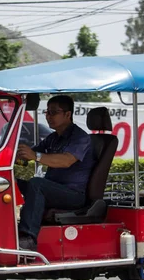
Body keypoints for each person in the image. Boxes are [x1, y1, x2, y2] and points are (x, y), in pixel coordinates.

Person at [16, 95, 94, 250]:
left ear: (67, 114)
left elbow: (66, 161)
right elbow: (32, 154)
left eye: (53, 112)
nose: (48, 116)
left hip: (73, 195)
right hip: (53, 189)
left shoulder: (80, 138)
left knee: (36, 184)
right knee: (11, 183)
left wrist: (35, 156)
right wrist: (16, 156)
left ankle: (28, 237)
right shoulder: (53, 138)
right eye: (47, 112)